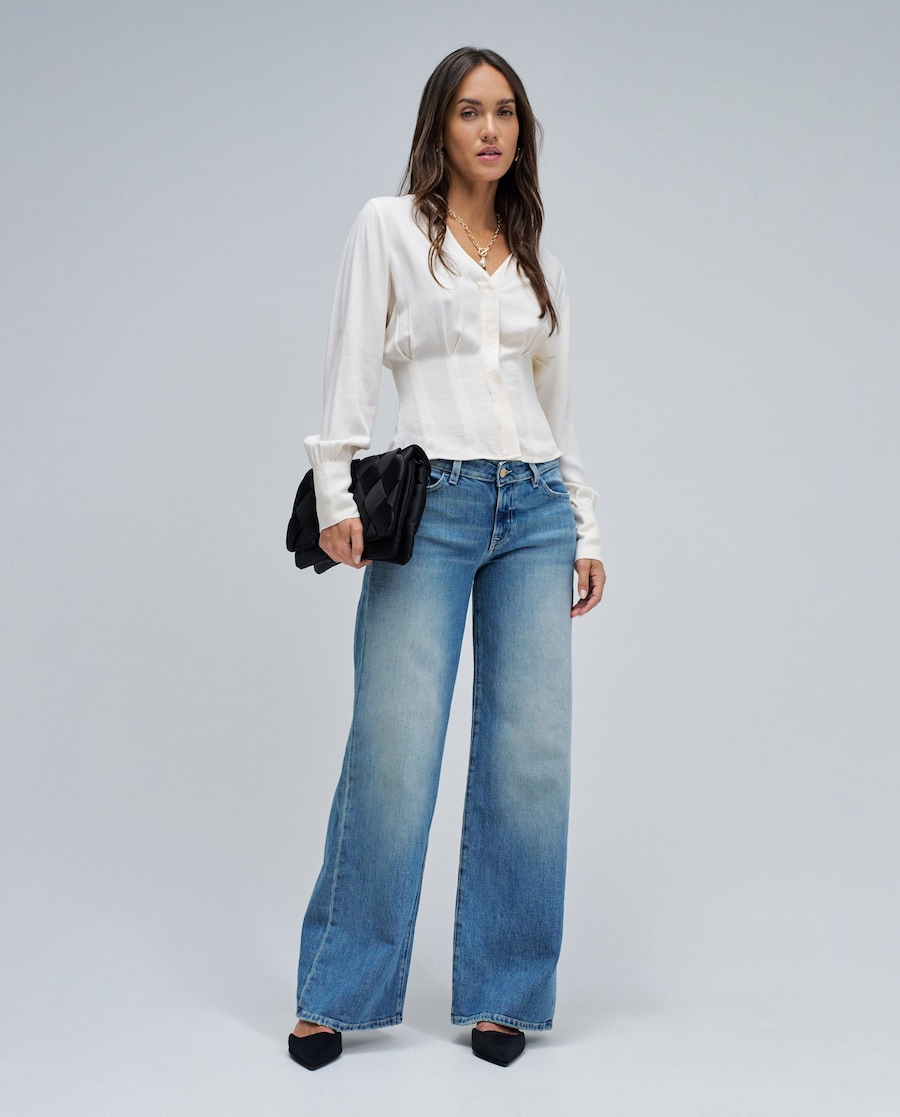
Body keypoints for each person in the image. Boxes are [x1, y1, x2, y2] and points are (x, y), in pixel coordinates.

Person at [288, 46, 606, 1071]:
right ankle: (336, 991)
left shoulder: (537, 257)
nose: (490, 129)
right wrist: (336, 491)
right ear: (440, 124)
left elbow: (557, 407)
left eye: (506, 112)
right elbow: (349, 360)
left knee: (530, 757)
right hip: (434, 505)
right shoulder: (389, 227)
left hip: (535, 508)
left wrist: (586, 525)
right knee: (392, 745)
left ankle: (505, 993)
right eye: (470, 111)